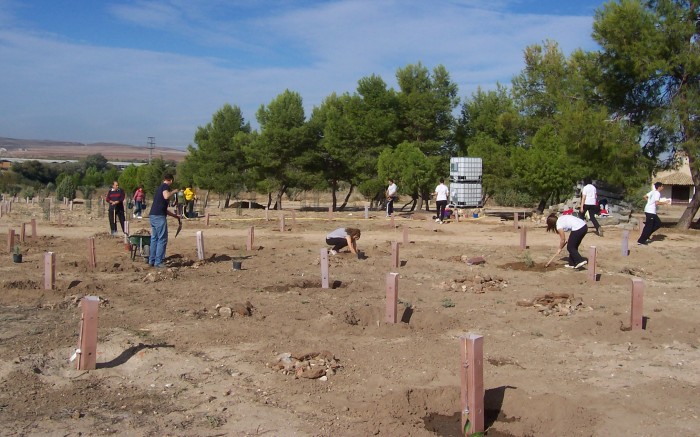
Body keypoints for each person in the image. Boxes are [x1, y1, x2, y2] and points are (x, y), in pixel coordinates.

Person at [148, 173, 181, 268]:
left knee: (154, 238)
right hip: (159, 217)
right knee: (162, 239)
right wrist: (174, 192)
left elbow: (163, 208)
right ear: (170, 180)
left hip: (153, 215)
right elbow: (166, 196)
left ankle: (152, 260)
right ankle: (158, 262)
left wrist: (175, 216)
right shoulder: (165, 186)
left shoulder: (159, 188)